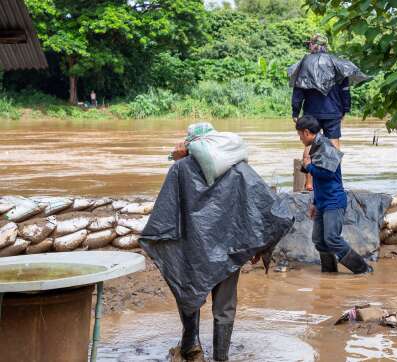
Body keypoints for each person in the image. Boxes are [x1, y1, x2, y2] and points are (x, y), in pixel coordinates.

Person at [141, 124, 293, 361]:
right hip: (229, 251)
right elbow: (268, 209)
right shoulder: (239, 169)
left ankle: (191, 346)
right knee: (225, 305)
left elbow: (166, 217)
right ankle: (221, 357)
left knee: (189, 292)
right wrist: (259, 246)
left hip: (191, 252)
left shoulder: (180, 169)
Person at [296, 115, 373, 274]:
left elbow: (327, 175)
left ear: (306, 132)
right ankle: (329, 273)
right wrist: (315, 203)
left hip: (333, 201)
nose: (300, 139)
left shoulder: (326, 146)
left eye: (300, 135)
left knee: (332, 238)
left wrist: (309, 166)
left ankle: (363, 269)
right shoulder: (316, 146)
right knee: (318, 239)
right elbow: (319, 181)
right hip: (323, 202)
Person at [292, 34, 351, 191]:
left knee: (309, 143)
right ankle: (335, 182)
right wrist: (346, 108)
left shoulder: (304, 64)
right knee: (333, 146)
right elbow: (345, 89)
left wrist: (295, 111)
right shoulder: (337, 63)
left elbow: (298, 89)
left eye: (310, 44)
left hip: (312, 113)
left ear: (314, 46)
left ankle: (309, 184)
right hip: (333, 111)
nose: (309, 47)